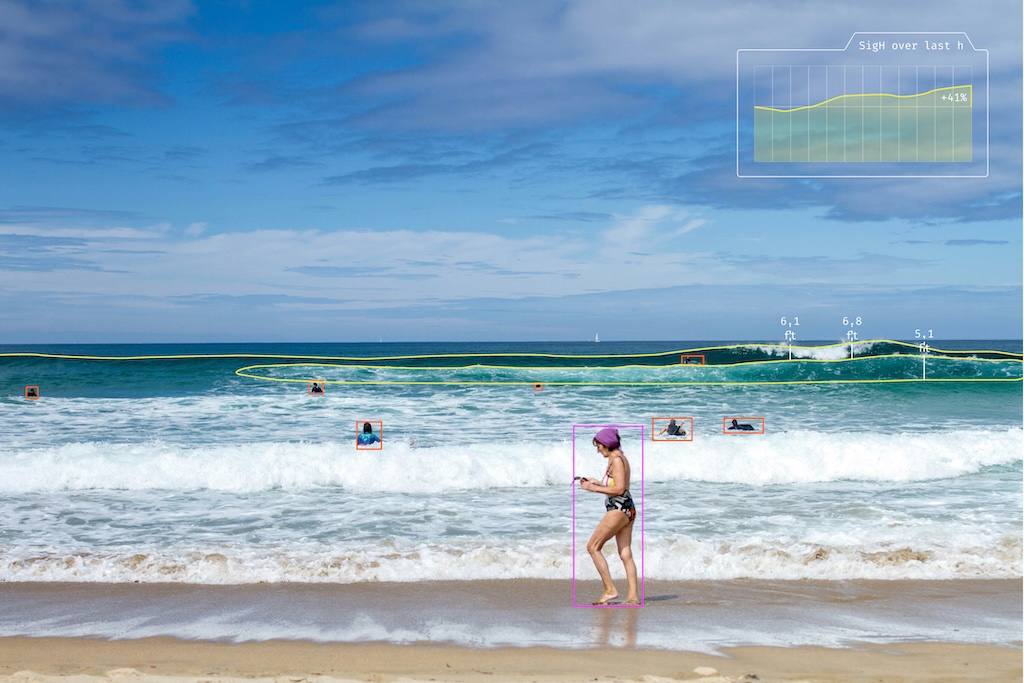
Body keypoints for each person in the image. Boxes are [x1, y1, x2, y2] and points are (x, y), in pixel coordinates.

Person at [579, 428, 639, 605]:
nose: (597, 450)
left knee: (593, 547)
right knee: (625, 553)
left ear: (606, 444)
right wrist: (596, 482)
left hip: (619, 508)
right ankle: (633, 597)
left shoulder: (617, 460)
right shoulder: (618, 458)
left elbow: (619, 489)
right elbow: (616, 485)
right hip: (627, 508)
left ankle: (610, 590)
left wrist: (593, 489)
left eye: (598, 446)